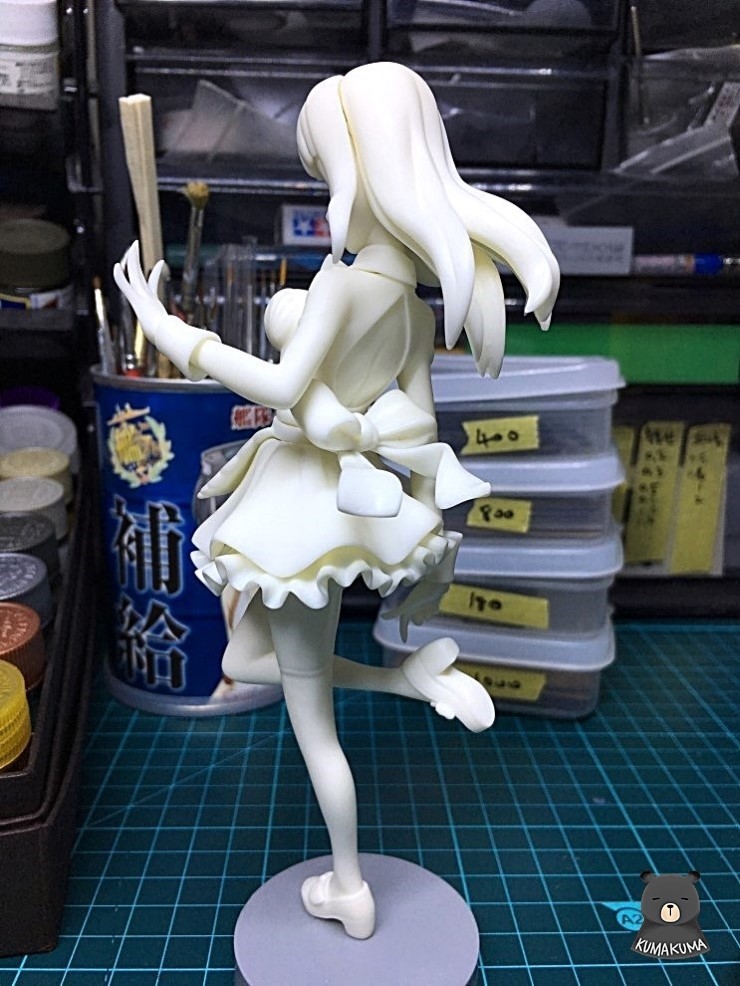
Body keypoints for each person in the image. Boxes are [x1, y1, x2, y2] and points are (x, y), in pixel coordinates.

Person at [114, 61, 559, 941]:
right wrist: (418, 522)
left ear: (360, 169)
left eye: (326, 170)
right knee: (249, 661)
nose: (326, 193)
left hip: (302, 513)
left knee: (312, 723)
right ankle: (403, 681)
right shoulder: (413, 313)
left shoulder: (343, 285)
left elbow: (283, 386)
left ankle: (348, 885)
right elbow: (421, 430)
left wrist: (172, 332)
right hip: (341, 509)